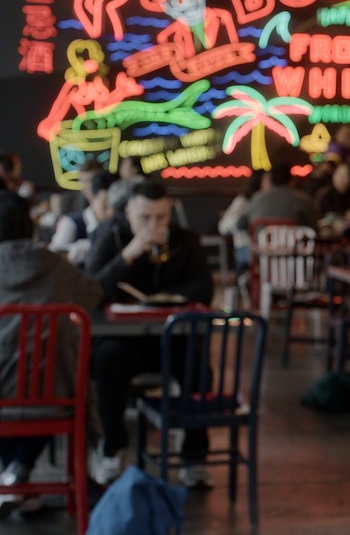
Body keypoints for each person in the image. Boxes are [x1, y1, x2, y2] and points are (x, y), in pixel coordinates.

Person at [85, 180, 215, 488]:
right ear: (128, 212)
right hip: (123, 339)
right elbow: (90, 291)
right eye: (145, 218)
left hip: (171, 339)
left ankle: (194, 457)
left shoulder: (185, 241)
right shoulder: (108, 236)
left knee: (198, 365)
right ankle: (113, 449)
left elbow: (204, 289)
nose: (154, 225)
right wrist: (128, 255)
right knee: (108, 360)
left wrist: (163, 298)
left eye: (161, 217)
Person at [0, 191, 102, 518]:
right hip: (56, 397)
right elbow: (93, 295)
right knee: (46, 381)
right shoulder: (55, 265)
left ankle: (15, 475)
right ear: (30, 227)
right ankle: (19, 471)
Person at [48, 171, 116, 266]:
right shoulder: (71, 223)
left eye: (115, 207)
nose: (111, 212)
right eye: (105, 205)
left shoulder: (118, 225)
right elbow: (52, 256)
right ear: (91, 197)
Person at [217, 169, 265, 271]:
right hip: (246, 247)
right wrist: (243, 225)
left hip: (265, 248)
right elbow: (223, 226)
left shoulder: (267, 200)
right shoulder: (243, 201)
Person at [315, 162, 350, 232]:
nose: (341, 178)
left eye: (345, 175)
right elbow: (318, 220)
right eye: (339, 174)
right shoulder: (324, 195)